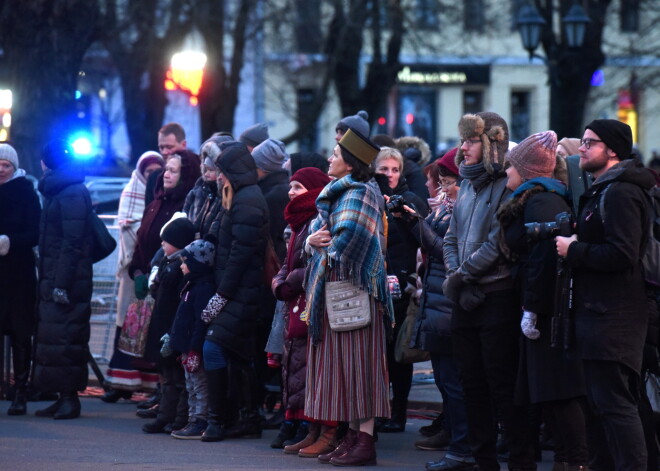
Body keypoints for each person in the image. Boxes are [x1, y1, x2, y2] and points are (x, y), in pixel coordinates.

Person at [555, 119, 655, 471]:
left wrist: (573, 249)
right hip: (600, 316)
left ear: (612, 149)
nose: (581, 148)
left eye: (589, 142)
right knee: (603, 406)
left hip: (614, 318)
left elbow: (622, 254)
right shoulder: (606, 188)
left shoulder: (622, 192)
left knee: (615, 406)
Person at [442, 112, 536, 471]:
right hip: (464, 298)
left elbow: (499, 243)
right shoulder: (467, 183)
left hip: (496, 295)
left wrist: (460, 277)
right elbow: (452, 235)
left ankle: (519, 462)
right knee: (471, 385)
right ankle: (484, 463)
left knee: (501, 386)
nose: (462, 148)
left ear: (492, 144)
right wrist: (457, 277)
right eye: (463, 139)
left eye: (470, 141)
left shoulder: (506, 185)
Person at [497, 131, 588, 471]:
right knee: (551, 392)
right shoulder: (536, 199)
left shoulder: (539, 201)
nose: (506, 172)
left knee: (558, 391)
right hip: (546, 310)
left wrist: (533, 309)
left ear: (527, 170)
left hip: (548, 314)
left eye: (511, 166)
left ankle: (573, 461)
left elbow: (542, 261)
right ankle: (567, 459)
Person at [304, 129, 392, 466]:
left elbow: (351, 237)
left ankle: (365, 441)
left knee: (361, 368)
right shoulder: (336, 193)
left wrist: (323, 250)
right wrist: (314, 243)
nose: (330, 158)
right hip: (336, 292)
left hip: (357, 293)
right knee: (346, 369)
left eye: (336, 154)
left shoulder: (362, 192)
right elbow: (317, 237)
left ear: (351, 163)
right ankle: (353, 436)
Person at [200, 141, 269, 442]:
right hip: (240, 292)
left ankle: (219, 420)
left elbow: (240, 257)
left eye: (222, 171)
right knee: (240, 356)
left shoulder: (247, 201)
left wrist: (220, 297)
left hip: (241, 294)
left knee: (213, 347)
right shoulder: (242, 197)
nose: (218, 177)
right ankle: (244, 418)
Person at [270, 167, 333, 453]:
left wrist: (288, 283)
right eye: (291, 186)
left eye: (297, 187)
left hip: (310, 301)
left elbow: (312, 264)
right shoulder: (298, 223)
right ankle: (297, 422)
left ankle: (310, 425)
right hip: (294, 299)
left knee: (306, 363)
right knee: (294, 361)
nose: (291, 192)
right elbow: (289, 261)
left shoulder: (316, 220)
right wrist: (279, 283)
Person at [32, 140, 95, 420]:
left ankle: (70, 398)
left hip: (67, 278)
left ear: (47, 162)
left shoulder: (69, 192)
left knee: (67, 337)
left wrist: (61, 283)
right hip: (58, 275)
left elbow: (72, 242)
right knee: (56, 337)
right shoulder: (63, 189)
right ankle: (62, 396)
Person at [372, 146, 426, 434]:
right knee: (377, 354)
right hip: (376, 286)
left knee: (398, 355)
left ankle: (399, 412)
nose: (390, 175)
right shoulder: (370, 198)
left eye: (395, 169)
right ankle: (381, 410)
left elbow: (424, 240)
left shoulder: (410, 200)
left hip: (402, 289)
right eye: (384, 169)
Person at [103, 151, 164, 401]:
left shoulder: (162, 196)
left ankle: (149, 385)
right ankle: (121, 382)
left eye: (156, 171)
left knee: (150, 328)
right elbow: (128, 227)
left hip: (155, 270)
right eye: (148, 172)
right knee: (129, 325)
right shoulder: (131, 191)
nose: (153, 176)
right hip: (133, 270)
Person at [141, 216, 196, 434]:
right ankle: (166, 414)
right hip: (163, 325)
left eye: (167, 240)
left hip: (172, 328)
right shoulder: (167, 262)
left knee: (176, 377)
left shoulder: (181, 266)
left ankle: (176, 417)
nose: (162, 243)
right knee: (166, 375)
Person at [0, 143, 41, 416]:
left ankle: (21, 391)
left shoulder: (26, 192)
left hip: (18, 273)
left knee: (19, 334)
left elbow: (35, 232)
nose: (1, 170)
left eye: (6, 165)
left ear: (15, 168)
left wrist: (9, 242)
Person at [169, 236, 217, 439]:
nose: (182, 266)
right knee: (191, 385)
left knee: (199, 385)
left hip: (193, 348)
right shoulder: (191, 286)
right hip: (186, 348)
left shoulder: (203, 289)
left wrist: (195, 349)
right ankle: (192, 419)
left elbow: (200, 322)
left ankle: (200, 420)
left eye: (185, 262)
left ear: (196, 264)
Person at [145, 122, 188, 206]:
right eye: (161, 147)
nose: (164, 152)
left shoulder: (196, 174)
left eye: (169, 147)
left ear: (183, 145)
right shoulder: (154, 177)